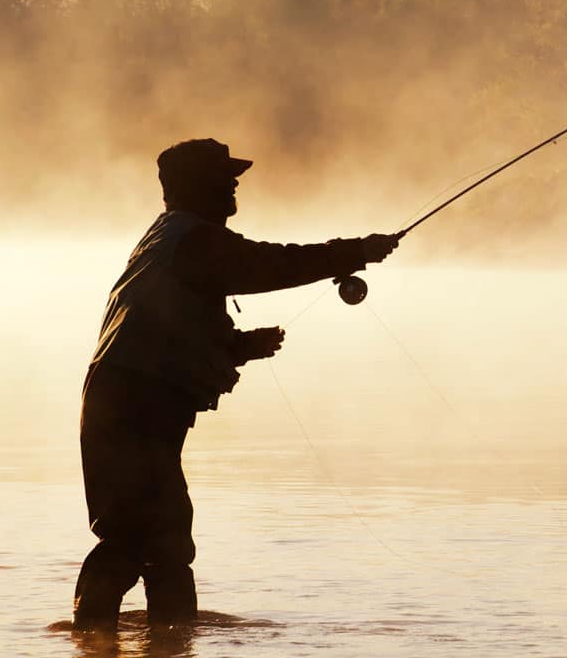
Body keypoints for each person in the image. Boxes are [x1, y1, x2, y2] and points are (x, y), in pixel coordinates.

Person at [72, 138, 398, 630]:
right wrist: (353, 252)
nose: (234, 186)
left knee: (163, 538)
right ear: (194, 186)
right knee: (137, 536)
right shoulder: (195, 239)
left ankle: (167, 638)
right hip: (133, 406)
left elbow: (168, 327)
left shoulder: (169, 238)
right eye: (225, 178)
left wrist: (239, 346)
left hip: (127, 402)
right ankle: (96, 636)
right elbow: (270, 265)